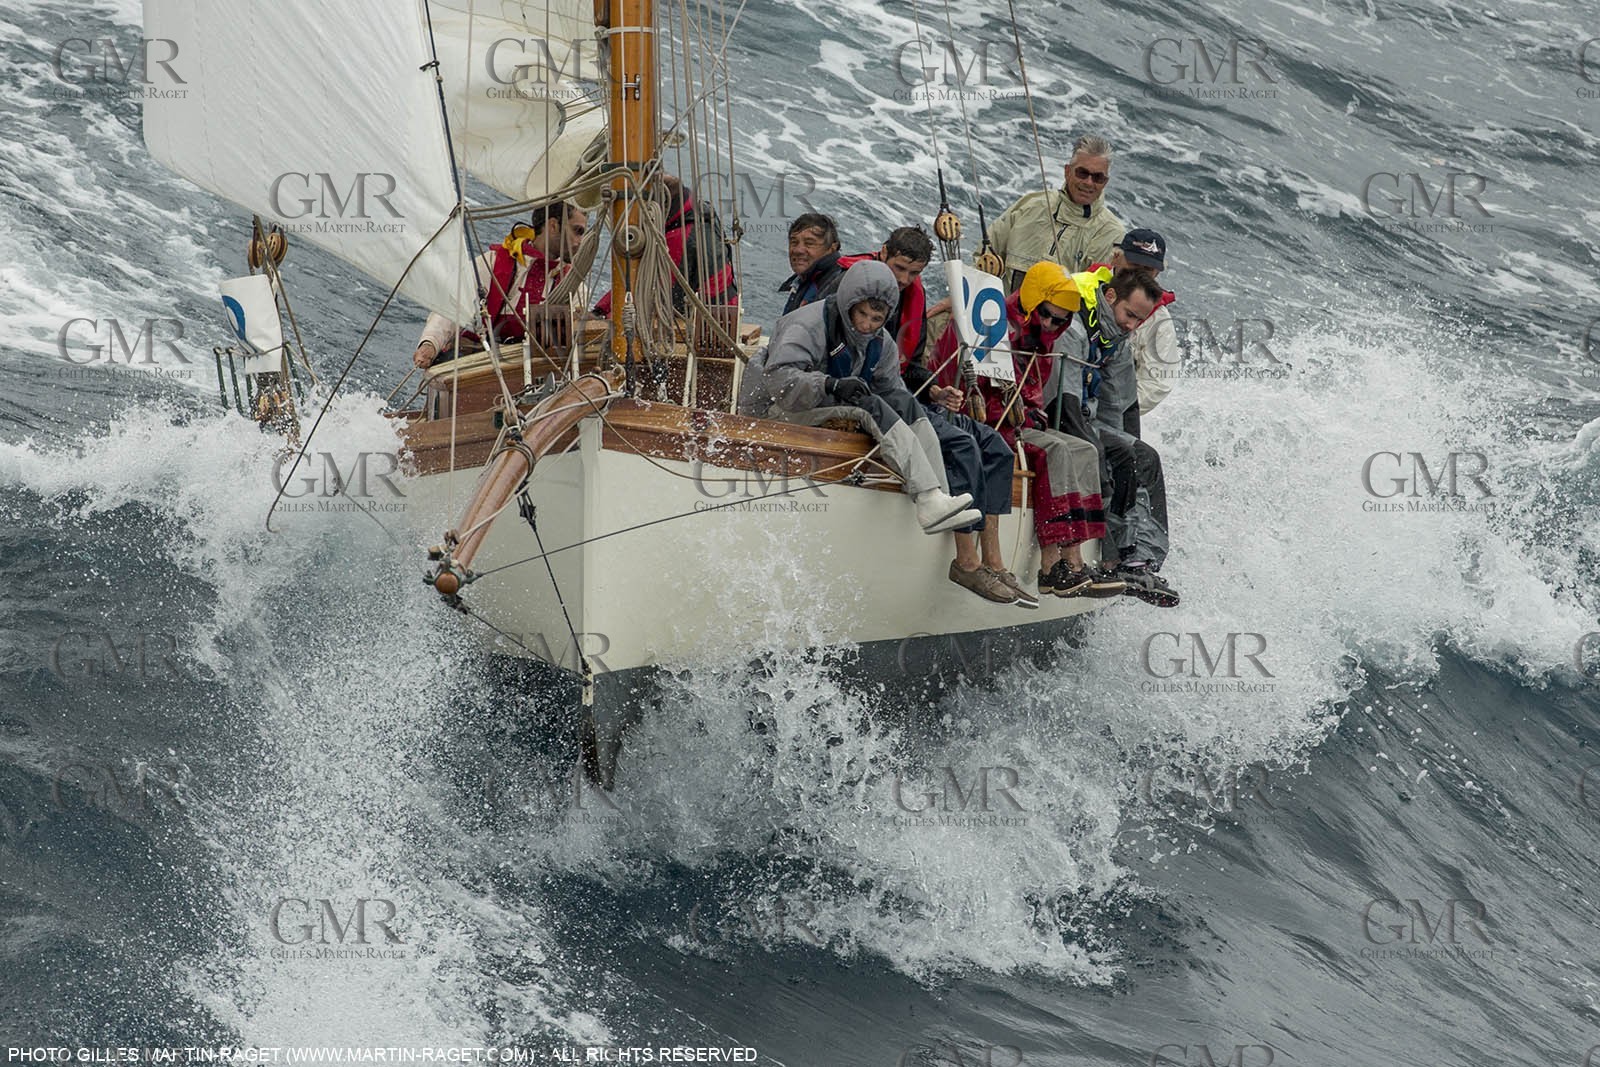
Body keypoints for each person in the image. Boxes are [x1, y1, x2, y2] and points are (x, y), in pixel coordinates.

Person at [738, 260, 981, 537]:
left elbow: (894, 392)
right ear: (847, 304)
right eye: (861, 314)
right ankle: (926, 495)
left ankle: (938, 495)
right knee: (870, 407)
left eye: (876, 319)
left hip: (820, 406)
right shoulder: (806, 325)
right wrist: (831, 384)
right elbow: (779, 380)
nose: (867, 325)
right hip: (775, 408)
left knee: (904, 401)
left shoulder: (882, 342)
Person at [930, 262, 1125, 599]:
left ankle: (1075, 556)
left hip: (1017, 420)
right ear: (1034, 303)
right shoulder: (995, 323)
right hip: (982, 418)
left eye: (1060, 320)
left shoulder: (1042, 337)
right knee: (1057, 450)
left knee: (1086, 450)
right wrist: (1020, 415)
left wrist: (1031, 414)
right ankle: (1051, 565)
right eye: (1047, 315)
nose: (1051, 324)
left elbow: (1033, 390)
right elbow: (973, 388)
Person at [1042, 259, 1177, 606]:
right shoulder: (1075, 325)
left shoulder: (1116, 335)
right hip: (1053, 412)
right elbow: (1063, 402)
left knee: (1144, 457)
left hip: (1088, 416)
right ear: (1111, 295)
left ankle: (1139, 559)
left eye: (1139, 320)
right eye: (1129, 315)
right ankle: (1112, 557)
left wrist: (1133, 452)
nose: (1132, 325)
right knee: (1105, 455)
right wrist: (1101, 460)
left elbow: (1121, 406)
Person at [1085, 229, 1178, 606]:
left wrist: (1116, 408)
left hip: (1124, 406)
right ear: (1116, 257)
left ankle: (1141, 560)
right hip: (1090, 402)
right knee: (1119, 462)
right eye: (1135, 263)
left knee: (1138, 463)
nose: (1142, 272)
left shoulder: (1157, 316)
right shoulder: (1092, 291)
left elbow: (1159, 380)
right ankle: (1120, 556)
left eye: (1150, 269)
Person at [413, 200, 588, 369]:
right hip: (478, 367)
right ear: (553, 226)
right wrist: (430, 343)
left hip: (534, 373)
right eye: (577, 231)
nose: (580, 241)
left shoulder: (574, 285)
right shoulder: (493, 264)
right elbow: (452, 306)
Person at [987, 136, 1126, 293]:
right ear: (1067, 171)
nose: (1088, 182)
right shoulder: (1031, 205)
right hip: (1000, 313)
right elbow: (985, 256)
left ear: (1105, 182)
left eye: (1098, 177)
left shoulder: (1113, 235)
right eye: (1082, 173)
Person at [593, 175, 737, 316]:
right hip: (723, 311)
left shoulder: (680, 237)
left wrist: (606, 316)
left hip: (709, 322)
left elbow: (657, 293)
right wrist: (601, 309)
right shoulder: (695, 214)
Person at [823, 225, 934, 366]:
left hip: (883, 375)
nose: (904, 280)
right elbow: (818, 331)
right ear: (884, 252)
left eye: (914, 273)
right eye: (899, 268)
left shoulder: (915, 296)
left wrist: (932, 387)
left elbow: (913, 363)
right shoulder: (848, 281)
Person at [778, 213, 845, 315]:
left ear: (832, 248)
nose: (798, 250)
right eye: (794, 242)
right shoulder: (804, 280)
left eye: (809, 243)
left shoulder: (837, 288)